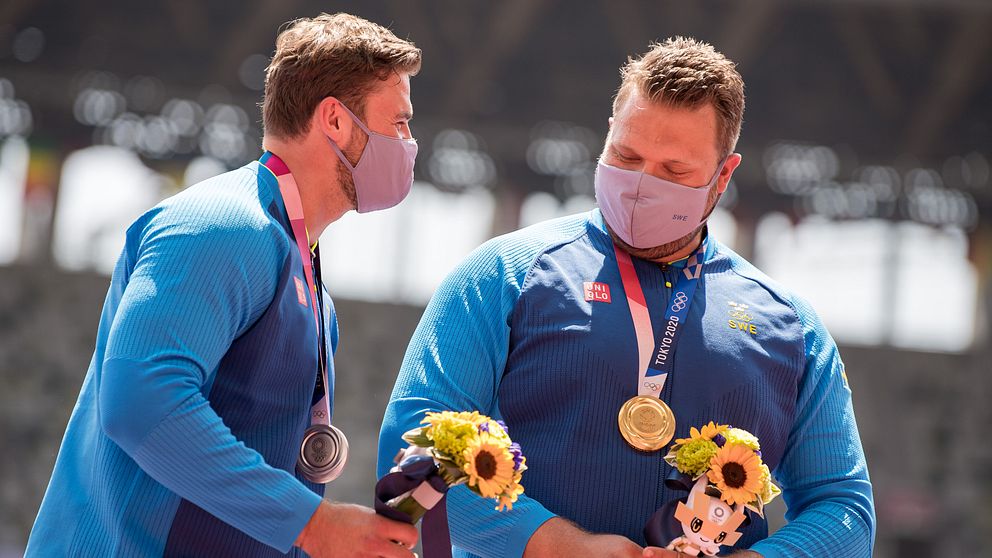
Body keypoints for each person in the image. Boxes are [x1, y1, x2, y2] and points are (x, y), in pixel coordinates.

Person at [378, 37, 875, 558]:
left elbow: (844, 509)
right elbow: (410, 448)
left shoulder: (791, 327)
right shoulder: (502, 276)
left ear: (722, 177)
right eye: (627, 155)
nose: (641, 184)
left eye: (674, 171)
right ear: (606, 136)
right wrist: (563, 547)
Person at [27, 13, 421, 558]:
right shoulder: (223, 227)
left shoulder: (306, 275)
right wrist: (313, 525)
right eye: (398, 124)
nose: (408, 144)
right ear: (334, 119)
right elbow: (142, 403)